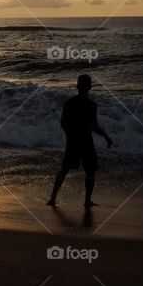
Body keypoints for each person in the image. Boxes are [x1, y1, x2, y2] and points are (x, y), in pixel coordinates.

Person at [47, 74, 114, 208]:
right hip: (85, 141)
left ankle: (53, 198)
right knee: (89, 172)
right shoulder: (91, 105)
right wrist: (105, 136)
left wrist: (69, 135)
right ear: (89, 87)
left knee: (65, 169)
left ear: (78, 86)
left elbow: (63, 123)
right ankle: (87, 201)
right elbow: (94, 126)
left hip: (74, 140)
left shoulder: (70, 103)